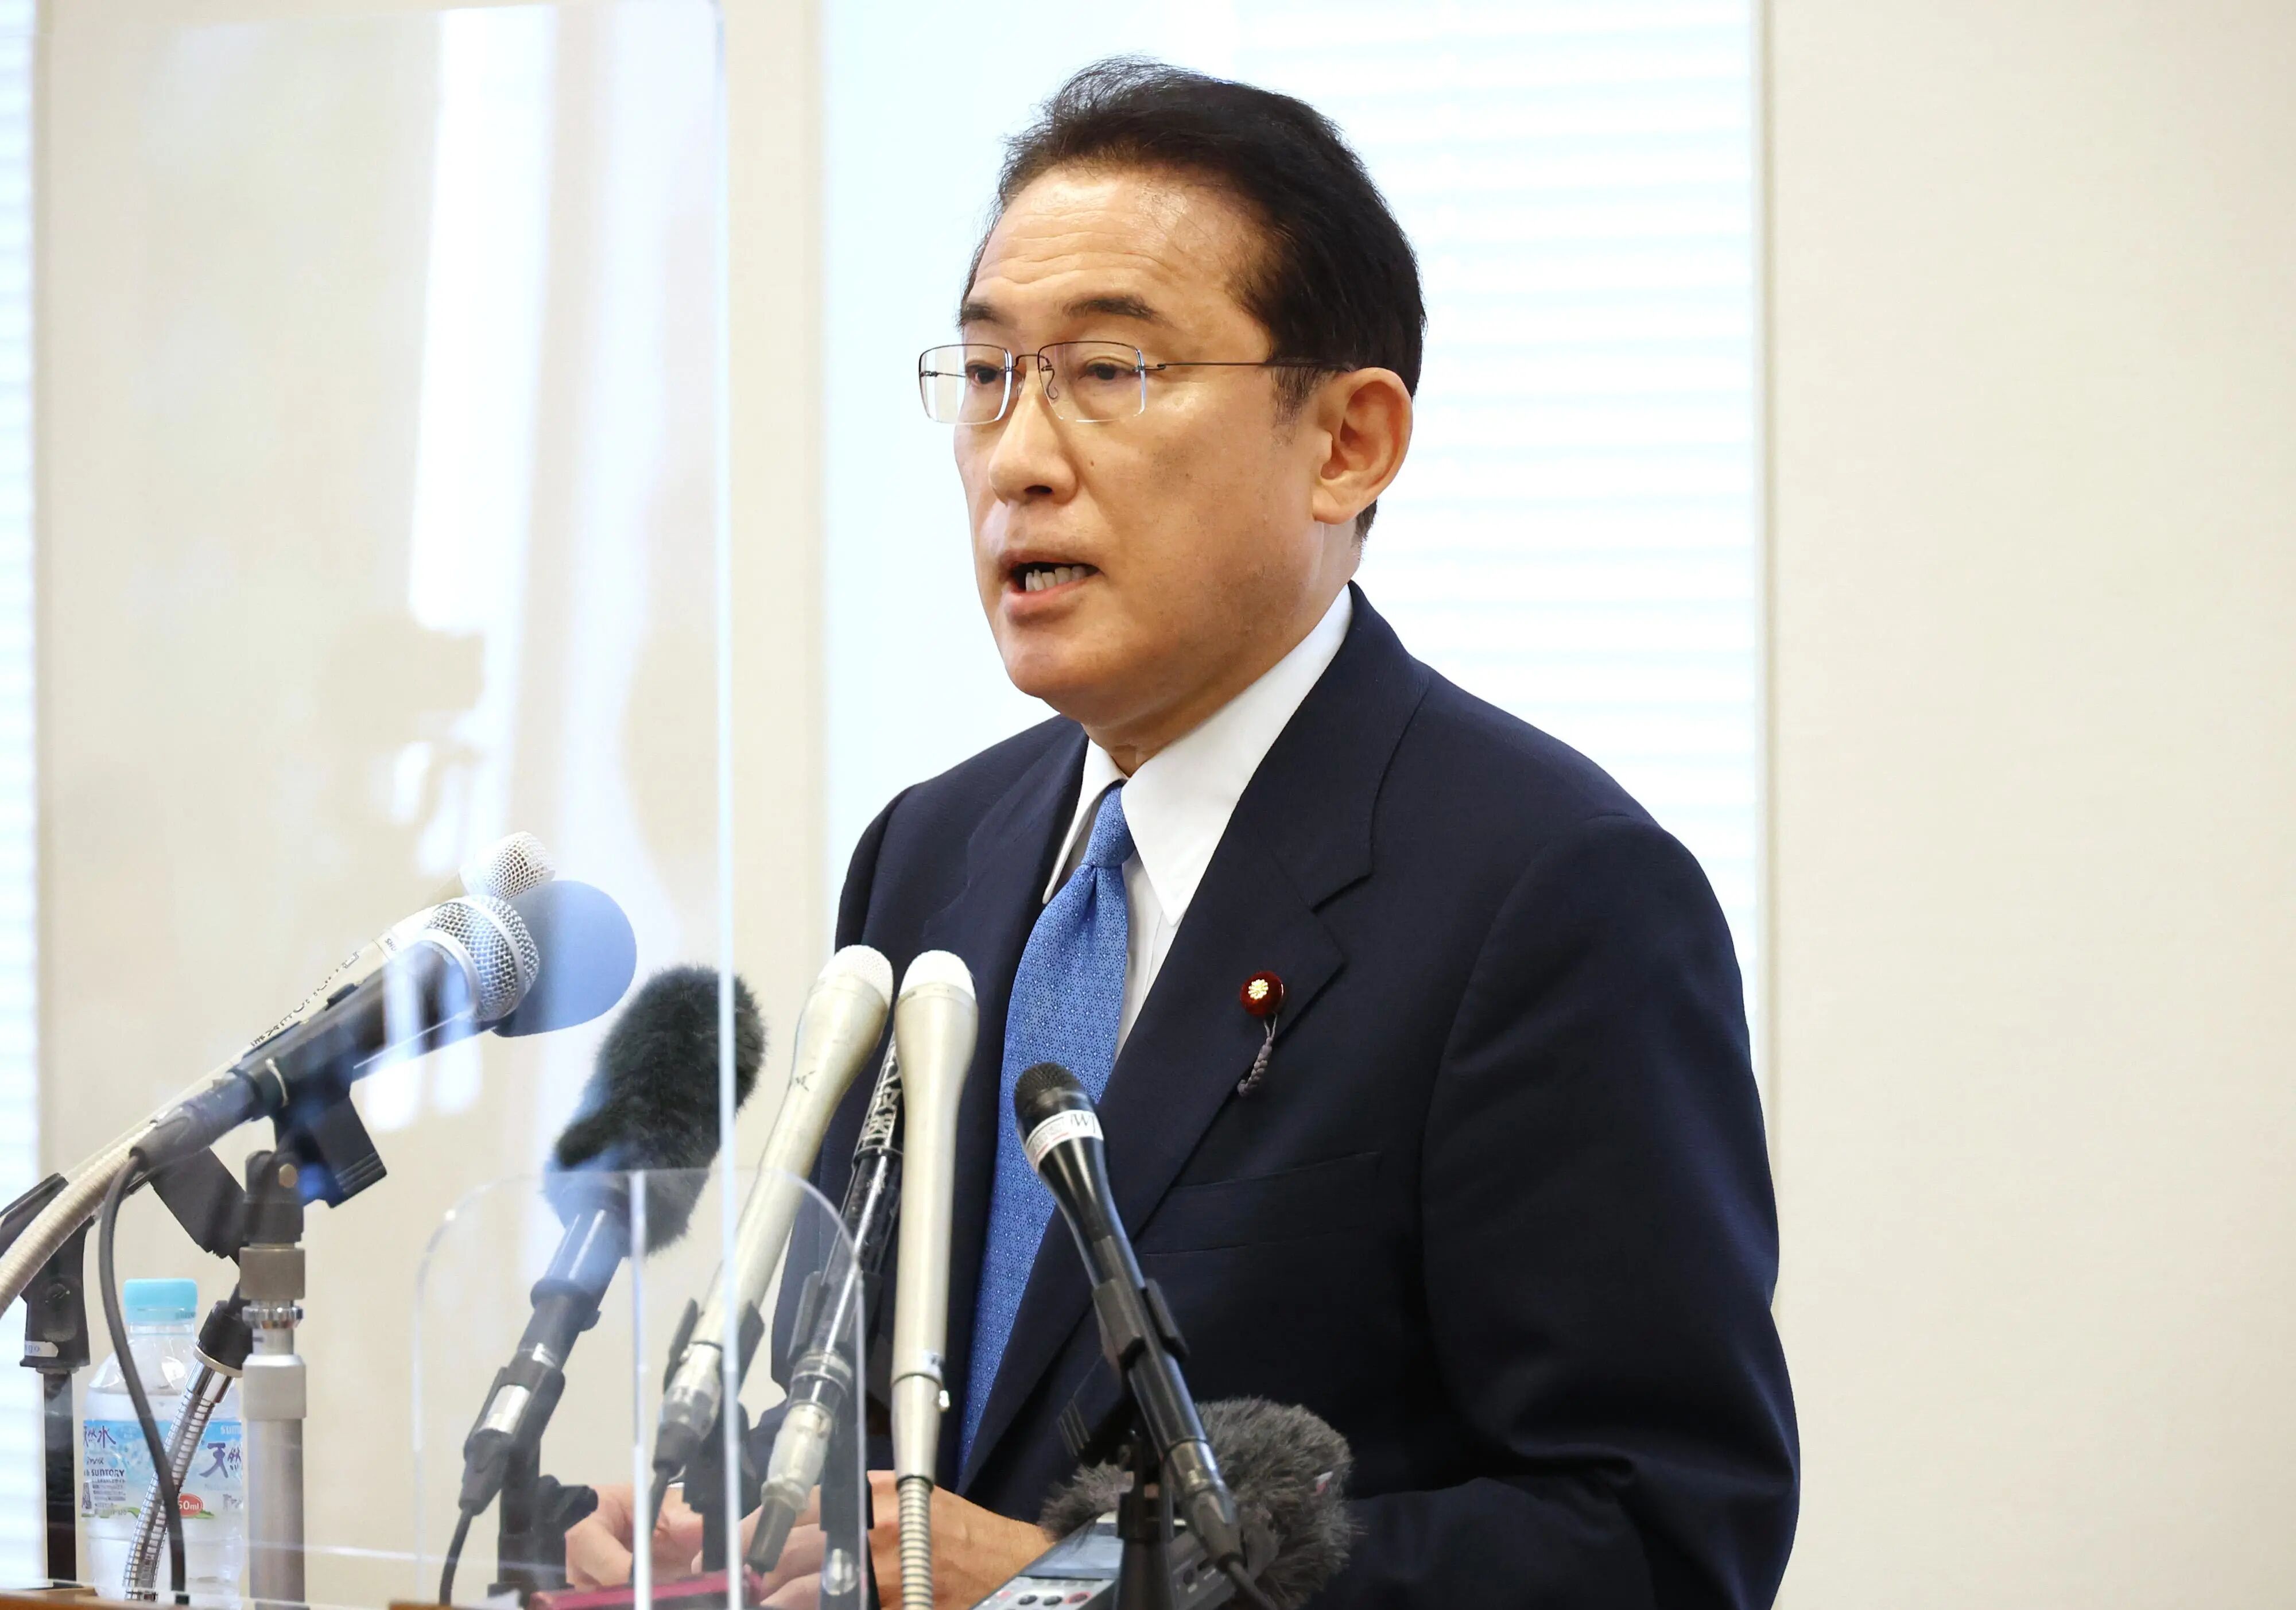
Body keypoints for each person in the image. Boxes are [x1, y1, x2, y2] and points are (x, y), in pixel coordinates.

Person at [571, 57, 1797, 1608]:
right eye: (988, 375)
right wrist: (760, 1523)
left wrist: (1083, 1588)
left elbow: (1656, 1540)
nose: (1019, 457)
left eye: (1109, 371)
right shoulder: (931, 856)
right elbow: (922, 1428)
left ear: (1347, 442)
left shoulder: (1552, 894)